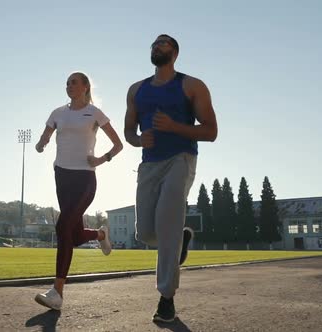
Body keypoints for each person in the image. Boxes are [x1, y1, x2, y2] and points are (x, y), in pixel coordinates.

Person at [124, 34, 218, 323]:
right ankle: (181, 240)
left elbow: (211, 131)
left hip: (181, 159)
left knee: (167, 226)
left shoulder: (192, 86)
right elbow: (128, 132)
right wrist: (140, 140)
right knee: (146, 234)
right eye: (154, 43)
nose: (156, 46)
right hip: (149, 164)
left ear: (175, 53)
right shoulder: (136, 90)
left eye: (163, 43)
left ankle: (166, 299)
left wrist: (174, 126)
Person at [34, 71, 123, 311]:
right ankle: (99, 235)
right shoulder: (57, 113)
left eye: (74, 82)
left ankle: (57, 292)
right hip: (62, 177)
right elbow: (44, 137)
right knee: (70, 236)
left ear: (85, 87)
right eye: (67, 83)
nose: (69, 86)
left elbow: (118, 144)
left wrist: (101, 159)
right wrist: (41, 144)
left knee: (62, 227)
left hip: (85, 179)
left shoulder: (94, 113)